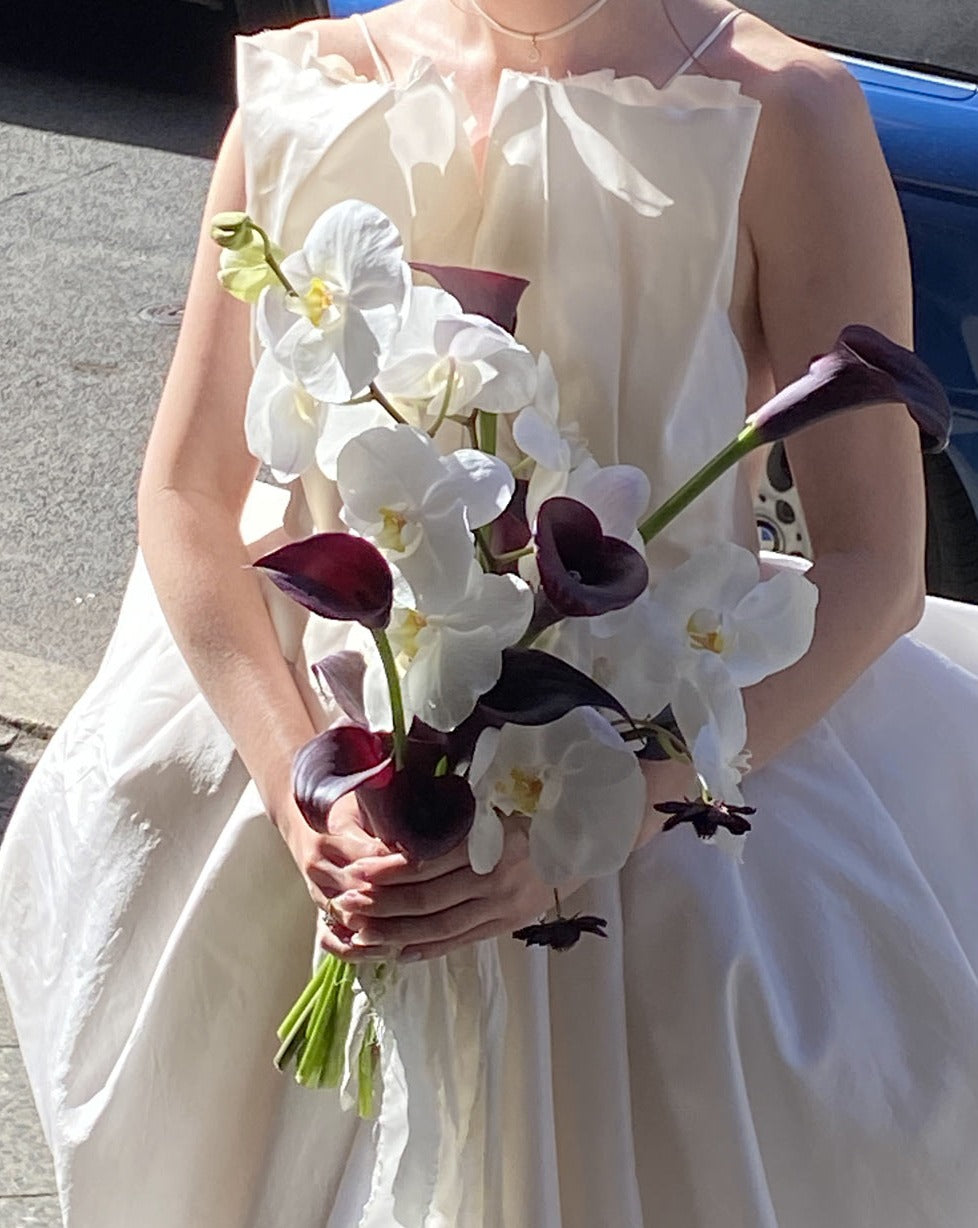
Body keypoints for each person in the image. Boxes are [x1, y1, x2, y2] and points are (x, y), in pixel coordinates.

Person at [3, 0, 978, 1223]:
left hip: (659, 835)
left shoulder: (785, 113)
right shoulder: (311, 86)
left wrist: (612, 816)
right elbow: (186, 493)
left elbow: (875, 566)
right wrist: (301, 787)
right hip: (325, 821)